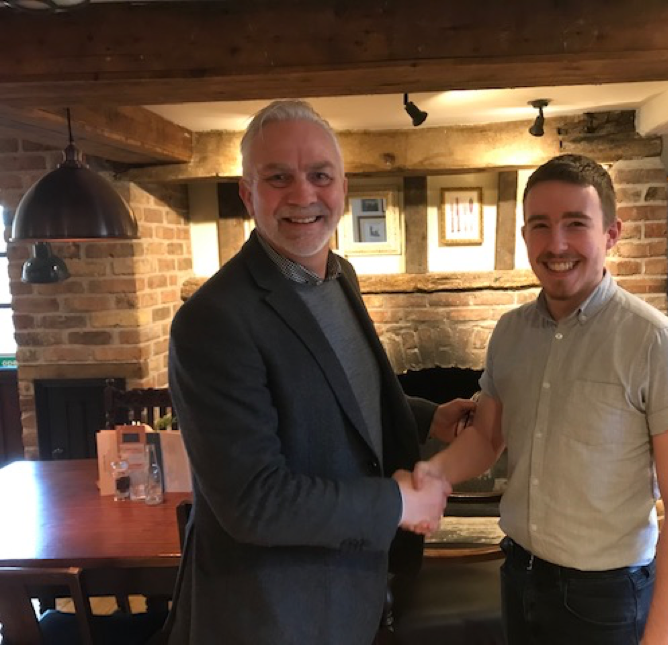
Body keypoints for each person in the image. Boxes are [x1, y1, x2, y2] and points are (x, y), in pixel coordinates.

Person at [167, 99, 474, 645]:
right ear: (247, 194)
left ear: (343, 187)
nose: (303, 194)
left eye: (319, 176)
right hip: (272, 616)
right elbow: (254, 501)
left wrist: (427, 417)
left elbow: (339, 395)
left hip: (350, 596)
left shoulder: (339, 275)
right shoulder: (213, 319)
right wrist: (399, 503)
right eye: (278, 178)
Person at [415, 154, 668, 644]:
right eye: (540, 225)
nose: (556, 244)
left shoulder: (658, 344)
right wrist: (434, 473)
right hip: (519, 576)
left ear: (611, 233)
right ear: (525, 235)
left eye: (576, 223)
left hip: (607, 597)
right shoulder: (510, 333)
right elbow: (487, 437)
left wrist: (662, 639)